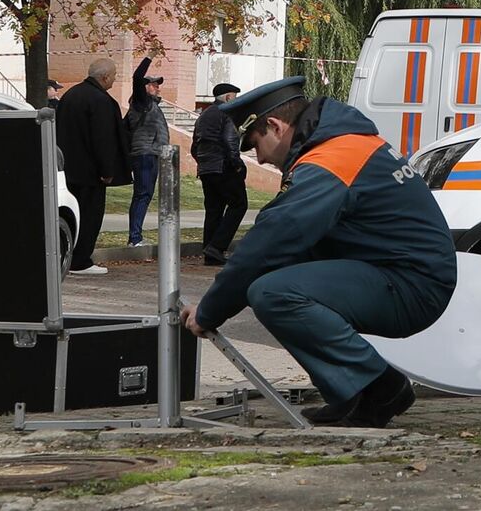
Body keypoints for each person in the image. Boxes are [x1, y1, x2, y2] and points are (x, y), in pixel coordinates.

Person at [181, 77, 456, 428]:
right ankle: (348, 393)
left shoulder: (332, 158)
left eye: (255, 145)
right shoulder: (341, 143)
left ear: (276, 126)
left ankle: (381, 388)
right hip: (399, 272)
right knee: (270, 280)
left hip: (413, 285)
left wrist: (209, 311)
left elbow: (271, 239)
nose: (260, 158)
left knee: (272, 292)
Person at [55, 58, 127, 276]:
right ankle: (81, 260)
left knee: (72, 215)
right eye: (114, 76)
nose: (114, 80)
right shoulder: (100, 100)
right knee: (90, 216)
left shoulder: (71, 95)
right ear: (104, 77)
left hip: (67, 168)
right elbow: (103, 139)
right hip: (90, 172)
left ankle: (68, 256)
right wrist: (107, 171)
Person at [191, 81, 246, 265]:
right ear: (229, 97)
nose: (235, 99)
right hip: (223, 165)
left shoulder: (204, 115)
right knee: (239, 204)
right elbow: (230, 139)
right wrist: (237, 164)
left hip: (206, 168)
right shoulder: (227, 112)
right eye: (234, 96)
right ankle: (217, 246)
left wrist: (203, 162)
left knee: (214, 209)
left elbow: (194, 147)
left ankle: (210, 253)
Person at [123, 58, 169, 248]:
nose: (157, 88)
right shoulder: (142, 103)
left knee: (145, 194)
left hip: (151, 153)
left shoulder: (152, 105)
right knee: (142, 194)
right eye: (153, 84)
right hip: (145, 154)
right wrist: (149, 57)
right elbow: (136, 76)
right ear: (144, 87)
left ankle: (136, 236)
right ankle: (135, 238)